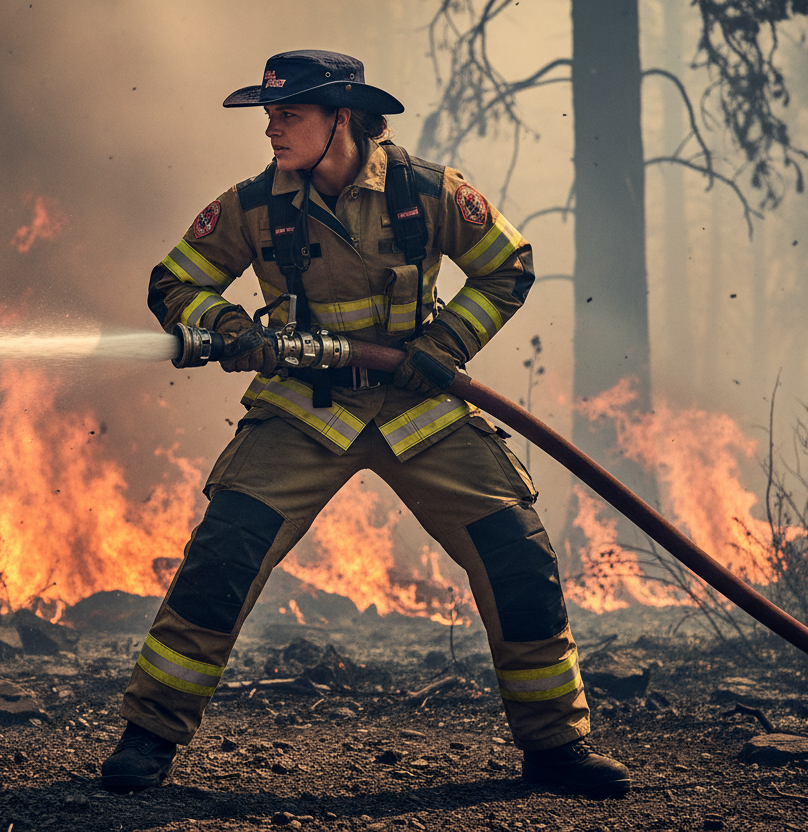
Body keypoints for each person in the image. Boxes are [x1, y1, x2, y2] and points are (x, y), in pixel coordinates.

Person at [100, 50, 630, 798]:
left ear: (340, 117)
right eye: (269, 115)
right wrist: (227, 326)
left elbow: (507, 265)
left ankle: (556, 748)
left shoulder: (428, 193)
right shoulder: (251, 206)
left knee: (517, 557)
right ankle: (148, 737)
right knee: (223, 557)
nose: (272, 130)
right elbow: (175, 280)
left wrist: (444, 346)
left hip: (419, 409)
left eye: (288, 115)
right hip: (303, 411)